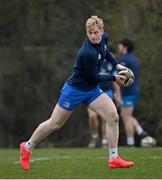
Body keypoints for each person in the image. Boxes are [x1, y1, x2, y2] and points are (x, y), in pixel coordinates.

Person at [19, 16, 135, 171]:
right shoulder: (87, 53)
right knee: (55, 124)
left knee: (113, 116)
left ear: (102, 31)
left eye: (95, 32)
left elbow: (105, 51)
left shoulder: (104, 39)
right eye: (90, 33)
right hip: (74, 90)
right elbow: (94, 77)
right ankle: (27, 147)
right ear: (86, 34)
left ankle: (114, 158)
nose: (93, 36)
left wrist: (116, 64)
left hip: (92, 90)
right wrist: (114, 77)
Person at [88, 45, 121, 148]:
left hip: (107, 92)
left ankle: (104, 141)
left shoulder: (111, 65)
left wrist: (117, 93)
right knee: (92, 116)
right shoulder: (94, 61)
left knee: (105, 118)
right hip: (92, 92)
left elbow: (115, 79)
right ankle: (94, 136)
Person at [117, 38, 147, 147]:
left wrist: (118, 93)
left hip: (128, 92)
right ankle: (140, 131)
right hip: (133, 92)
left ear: (125, 47)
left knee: (126, 117)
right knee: (126, 115)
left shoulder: (124, 60)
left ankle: (131, 143)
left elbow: (122, 78)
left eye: (120, 45)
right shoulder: (134, 59)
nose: (118, 47)